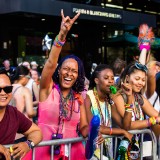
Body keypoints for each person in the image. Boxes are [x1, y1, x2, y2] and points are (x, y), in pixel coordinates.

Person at [35, 10, 89, 160]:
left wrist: (93, 132)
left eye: (74, 71)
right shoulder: (47, 89)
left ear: (78, 76)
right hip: (43, 153)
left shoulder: (79, 99)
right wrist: (62, 35)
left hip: (73, 154)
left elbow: (84, 127)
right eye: (65, 69)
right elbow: (51, 63)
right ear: (58, 71)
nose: (69, 73)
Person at [85, 64, 133, 160]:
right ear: (96, 81)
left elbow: (126, 126)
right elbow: (93, 126)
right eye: (106, 78)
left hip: (106, 151)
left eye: (112, 78)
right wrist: (122, 132)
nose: (111, 81)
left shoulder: (110, 100)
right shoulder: (88, 97)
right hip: (90, 152)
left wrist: (129, 98)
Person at [0, 69, 42, 160]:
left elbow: (36, 132)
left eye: (7, 89)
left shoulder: (13, 113)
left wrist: (28, 144)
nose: (3, 93)